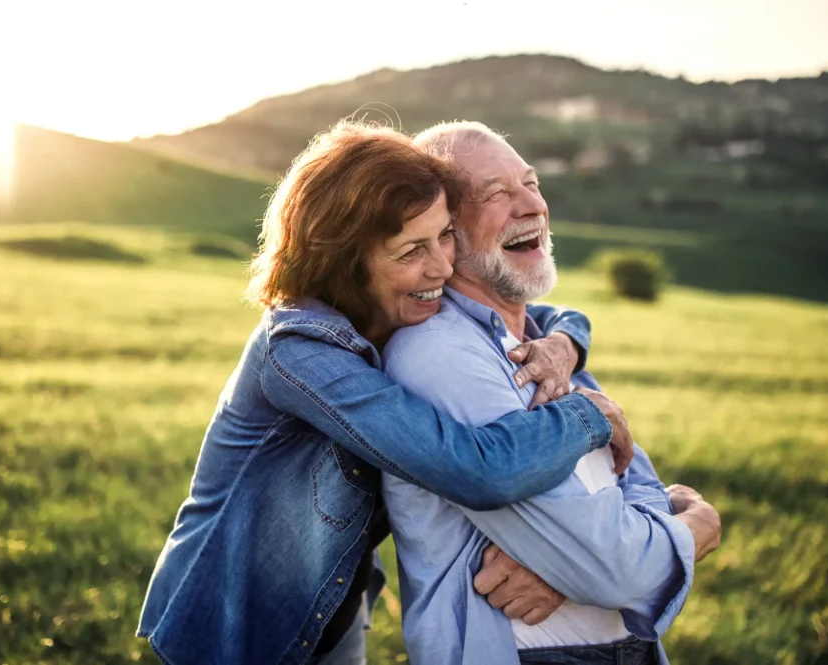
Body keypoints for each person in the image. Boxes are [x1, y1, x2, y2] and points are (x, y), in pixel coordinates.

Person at [136, 121, 635, 665]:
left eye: (444, 234)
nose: (443, 266)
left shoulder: (395, 310)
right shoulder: (300, 353)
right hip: (235, 629)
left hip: (333, 614)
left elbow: (540, 314)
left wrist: (565, 343)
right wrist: (588, 415)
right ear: (347, 261)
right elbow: (474, 470)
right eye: (411, 250)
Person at [381, 122, 723, 665]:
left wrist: (574, 570)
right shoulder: (439, 354)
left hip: (628, 647)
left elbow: (636, 485)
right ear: (446, 232)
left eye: (531, 183)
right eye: (496, 193)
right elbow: (616, 569)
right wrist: (696, 527)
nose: (531, 206)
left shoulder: (546, 347)